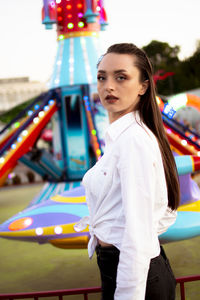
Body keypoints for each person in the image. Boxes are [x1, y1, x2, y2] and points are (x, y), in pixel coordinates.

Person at [74, 43, 180, 300]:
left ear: (143, 86)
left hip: (135, 274)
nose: (108, 86)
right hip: (119, 265)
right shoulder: (121, 138)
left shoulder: (133, 141)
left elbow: (139, 234)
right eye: (102, 77)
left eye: (121, 77)